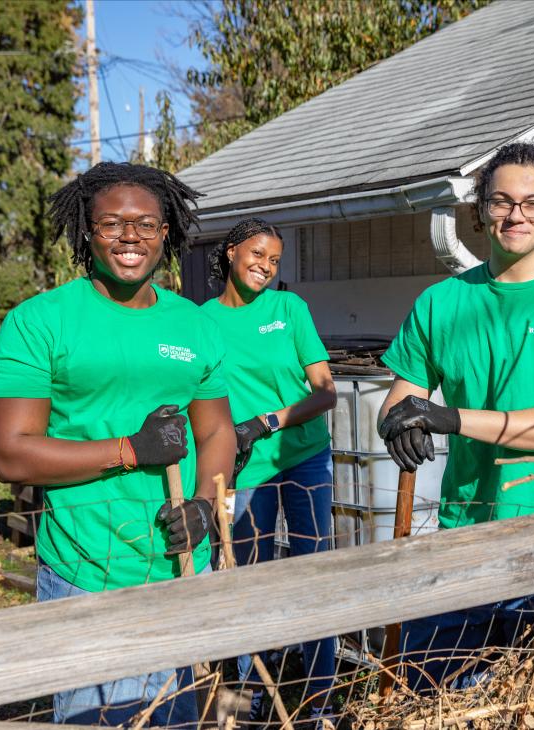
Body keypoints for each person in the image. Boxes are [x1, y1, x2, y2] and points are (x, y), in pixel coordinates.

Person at [0, 162, 236, 726]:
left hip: (179, 569)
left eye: (146, 224)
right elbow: (11, 452)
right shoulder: (40, 322)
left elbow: (217, 430)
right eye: (111, 225)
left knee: (176, 717)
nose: (130, 237)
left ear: (166, 231)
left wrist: (204, 505)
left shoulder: (193, 323)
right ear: (86, 233)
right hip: (87, 574)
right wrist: (130, 450)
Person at [377, 142, 534, 691]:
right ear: (481, 209)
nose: (517, 215)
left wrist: (449, 418)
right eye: (502, 202)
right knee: (430, 703)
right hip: (463, 534)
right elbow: (401, 402)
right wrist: (397, 422)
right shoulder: (441, 302)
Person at [202, 218, 338, 725]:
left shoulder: (289, 309)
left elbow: (325, 390)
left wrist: (268, 421)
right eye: (257, 254)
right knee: (246, 578)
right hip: (242, 471)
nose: (265, 266)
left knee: (314, 571)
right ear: (232, 252)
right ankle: (247, 700)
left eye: (275, 260)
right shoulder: (204, 320)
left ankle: (319, 700)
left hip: (303, 458)